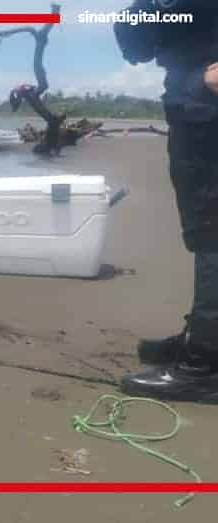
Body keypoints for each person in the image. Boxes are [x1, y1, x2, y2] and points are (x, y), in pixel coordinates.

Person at [114, 0, 218, 402]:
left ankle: (205, 364)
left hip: (207, 103)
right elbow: (135, 45)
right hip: (189, 100)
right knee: (202, 229)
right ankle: (205, 335)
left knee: (213, 233)